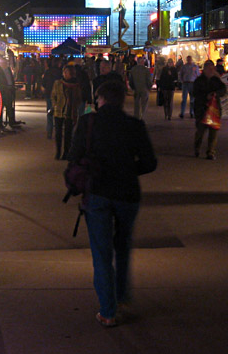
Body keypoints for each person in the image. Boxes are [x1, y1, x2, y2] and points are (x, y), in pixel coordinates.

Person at [67, 79, 157, 327]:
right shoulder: (135, 125)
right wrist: (128, 169)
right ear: (122, 100)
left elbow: (74, 156)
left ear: (101, 99)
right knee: (123, 246)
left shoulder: (88, 123)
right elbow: (150, 163)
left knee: (102, 251)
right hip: (128, 194)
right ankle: (122, 296)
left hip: (97, 193)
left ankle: (108, 310)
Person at [193, 60, 226, 160]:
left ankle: (210, 152)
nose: (211, 70)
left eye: (213, 68)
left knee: (213, 132)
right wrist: (205, 96)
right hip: (202, 109)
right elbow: (195, 93)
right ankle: (197, 148)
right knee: (200, 131)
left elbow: (223, 90)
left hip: (214, 110)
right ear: (205, 69)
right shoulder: (199, 80)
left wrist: (216, 94)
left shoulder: (216, 80)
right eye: (209, 68)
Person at [51, 65, 82, 160]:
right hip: (59, 110)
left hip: (70, 112)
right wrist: (55, 105)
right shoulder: (58, 83)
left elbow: (79, 98)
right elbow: (53, 95)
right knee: (58, 133)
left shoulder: (76, 85)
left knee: (68, 133)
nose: (64, 74)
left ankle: (66, 152)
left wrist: (74, 106)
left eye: (67, 72)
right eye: (64, 72)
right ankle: (58, 151)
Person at [41, 58, 63, 139]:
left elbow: (43, 84)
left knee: (49, 113)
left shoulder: (48, 72)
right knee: (58, 114)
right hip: (58, 95)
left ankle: (49, 132)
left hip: (49, 94)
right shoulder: (60, 72)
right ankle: (58, 131)